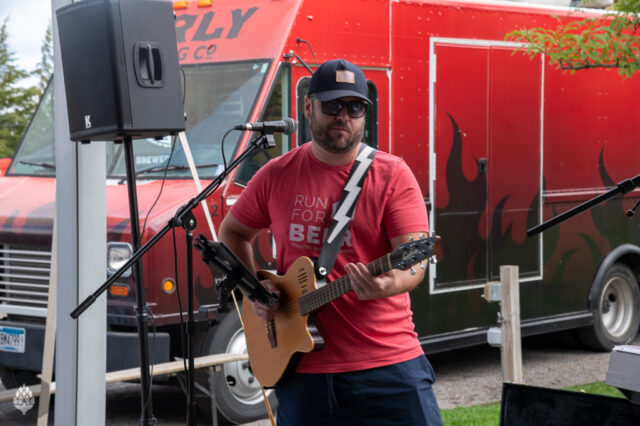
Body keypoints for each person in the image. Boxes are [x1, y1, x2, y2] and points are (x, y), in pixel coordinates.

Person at [218, 58, 443, 425]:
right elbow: (232, 232)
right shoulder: (275, 175)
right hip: (303, 369)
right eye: (333, 105)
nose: (344, 116)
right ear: (308, 107)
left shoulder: (393, 175)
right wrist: (255, 291)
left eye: (355, 107)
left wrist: (388, 284)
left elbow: (414, 262)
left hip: (389, 361)